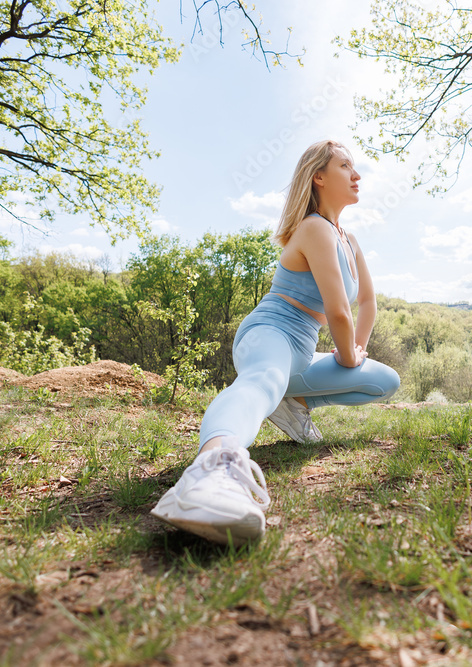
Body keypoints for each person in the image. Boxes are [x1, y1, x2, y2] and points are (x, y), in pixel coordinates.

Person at [151, 140, 400, 545]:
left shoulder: (348, 240)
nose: (357, 175)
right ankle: (211, 470)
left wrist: (357, 348)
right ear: (318, 176)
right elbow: (337, 310)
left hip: (301, 353)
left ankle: (294, 401)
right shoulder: (314, 227)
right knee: (265, 377)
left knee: (384, 381)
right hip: (270, 334)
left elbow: (367, 302)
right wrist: (348, 354)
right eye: (345, 167)